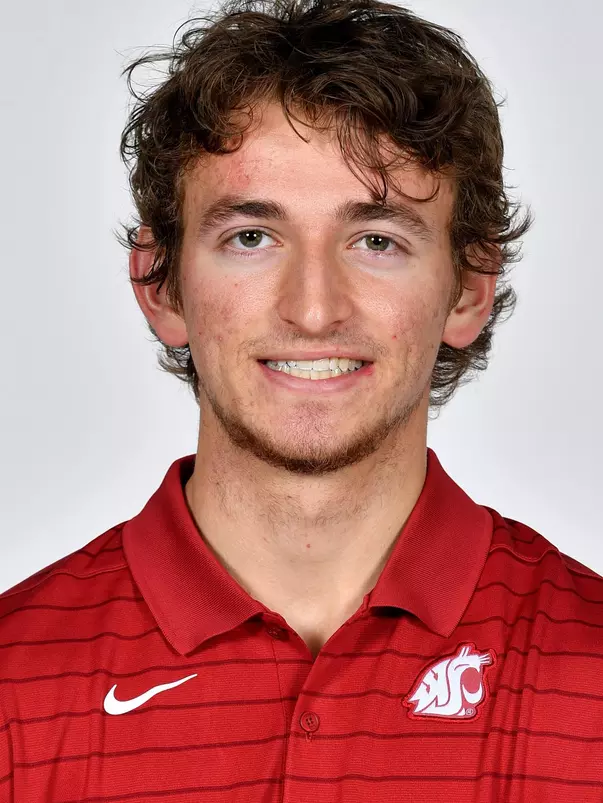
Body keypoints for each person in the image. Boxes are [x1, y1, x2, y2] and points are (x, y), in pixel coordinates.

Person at [1, 0, 602, 799]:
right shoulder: (12, 687)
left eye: (376, 240)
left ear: (468, 290)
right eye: (251, 237)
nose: (313, 309)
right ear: (160, 283)